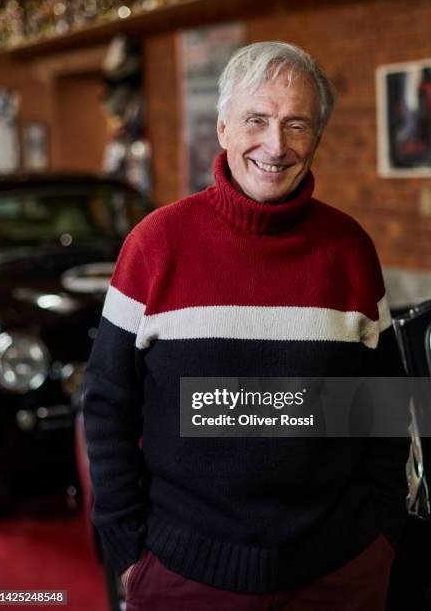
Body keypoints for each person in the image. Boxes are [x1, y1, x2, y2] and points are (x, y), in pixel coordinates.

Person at [82, 41, 409, 610]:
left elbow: (383, 403)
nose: (275, 145)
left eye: (297, 125)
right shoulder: (155, 246)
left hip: (338, 572)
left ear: (317, 138)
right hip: (186, 574)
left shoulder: (351, 249)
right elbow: (107, 405)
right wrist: (128, 546)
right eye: (256, 120)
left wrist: (382, 529)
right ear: (224, 128)